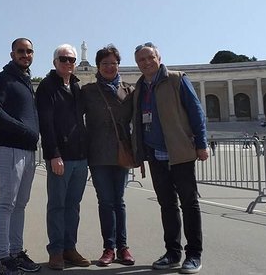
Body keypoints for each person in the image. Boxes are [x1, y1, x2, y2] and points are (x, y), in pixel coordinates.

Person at [132, 42, 208, 274]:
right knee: (167, 205)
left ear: (159, 57)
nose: (146, 62)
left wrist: (202, 143)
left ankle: (193, 254)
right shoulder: (140, 87)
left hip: (180, 152)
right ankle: (172, 252)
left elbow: (196, 111)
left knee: (189, 203)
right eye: (141, 60)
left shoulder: (177, 79)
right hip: (155, 154)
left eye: (149, 57)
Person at [0, 38, 41, 275]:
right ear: (12, 53)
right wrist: (21, 128)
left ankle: (16, 252)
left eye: (29, 51)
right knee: (6, 203)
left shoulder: (26, 81)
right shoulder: (2, 79)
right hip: (8, 148)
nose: (25, 55)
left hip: (28, 151)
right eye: (20, 51)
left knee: (21, 205)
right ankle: (2, 257)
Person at [81, 44, 136, 267]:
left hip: (122, 153)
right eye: (105, 63)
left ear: (118, 65)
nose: (109, 67)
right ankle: (109, 248)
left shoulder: (129, 90)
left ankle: (123, 247)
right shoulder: (88, 91)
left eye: (113, 63)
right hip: (99, 153)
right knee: (105, 201)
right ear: (98, 66)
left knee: (119, 201)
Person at [36, 44, 90, 270]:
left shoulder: (77, 87)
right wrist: (53, 154)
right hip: (60, 157)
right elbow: (46, 125)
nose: (68, 63)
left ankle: (70, 248)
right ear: (54, 61)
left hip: (80, 156)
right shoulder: (46, 87)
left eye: (71, 60)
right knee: (57, 206)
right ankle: (56, 251)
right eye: (63, 59)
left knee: (73, 206)